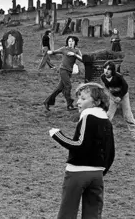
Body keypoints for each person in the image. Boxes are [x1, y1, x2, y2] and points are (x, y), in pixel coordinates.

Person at [49, 82, 115, 219]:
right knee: (93, 215)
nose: (78, 102)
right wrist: (101, 171)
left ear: (96, 102)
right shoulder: (107, 121)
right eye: (79, 98)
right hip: (97, 175)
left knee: (67, 213)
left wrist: (57, 135)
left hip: (77, 173)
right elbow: (111, 152)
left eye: (83, 99)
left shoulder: (87, 116)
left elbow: (79, 144)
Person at [101, 60, 135, 140]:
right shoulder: (103, 77)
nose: (106, 71)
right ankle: (103, 133)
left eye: (108, 69)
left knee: (127, 116)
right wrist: (112, 97)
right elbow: (107, 88)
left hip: (123, 96)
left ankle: (134, 133)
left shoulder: (118, 77)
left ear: (112, 70)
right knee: (109, 115)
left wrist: (120, 97)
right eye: (105, 69)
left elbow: (125, 87)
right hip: (113, 97)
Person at [44, 35, 82, 111]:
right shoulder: (64, 49)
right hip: (63, 70)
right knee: (68, 86)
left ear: (75, 42)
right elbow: (54, 52)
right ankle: (69, 104)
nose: (70, 43)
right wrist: (50, 52)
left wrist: (74, 54)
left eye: (72, 41)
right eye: (69, 41)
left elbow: (82, 59)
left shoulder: (77, 51)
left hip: (69, 71)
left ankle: (47, 102)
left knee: (59, 88)